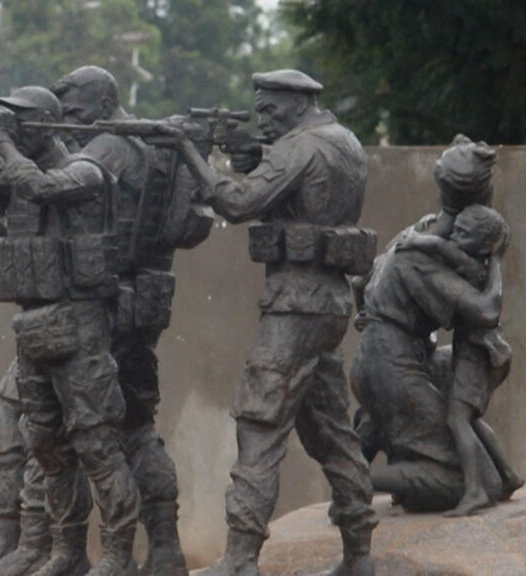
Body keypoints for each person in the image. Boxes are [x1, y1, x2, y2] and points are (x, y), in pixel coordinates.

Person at [149, 69, 378, 576]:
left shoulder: (300, 147)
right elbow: (297, 195)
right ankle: (359, 555)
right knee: (329, 430)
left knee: (259, 423)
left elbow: (239, 202)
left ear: (298, 102)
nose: (264, 119)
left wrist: (191, 152)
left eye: (271, 109)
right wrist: (252, 157)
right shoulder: (343, 140)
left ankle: (240, 559)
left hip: (295, 304)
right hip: (327, 300)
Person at [0, 86, 140, 576]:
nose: (7, 128)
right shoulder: (14, 176)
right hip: (33, 327)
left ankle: (117, 558)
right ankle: (65, 553)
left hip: (80, 326)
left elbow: (42, 188)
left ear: (45, 125)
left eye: (17, 120)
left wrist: (2, 142)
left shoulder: (86, 171)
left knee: (96, 443)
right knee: (46, 447)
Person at [49, 65, 213, 576]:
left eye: (74, 113)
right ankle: (164, 545)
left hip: (101, 309)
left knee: (82, 432)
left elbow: (48, 192)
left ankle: (103, 554)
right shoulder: (154, 145)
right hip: (144, 301)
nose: (69, 123)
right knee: (138, 426)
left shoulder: (106, 149)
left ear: (101, 105)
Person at [351, 205, 513, 514]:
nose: (454, 238)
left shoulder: (416, 234)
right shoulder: (426, 256)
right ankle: (353, 479)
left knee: (449, 397)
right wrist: (496, 262)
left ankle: (361, 475)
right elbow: (486, 310)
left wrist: (366, 312)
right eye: (457, 230)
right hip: (390, 366)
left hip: (377, 361)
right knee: (473, 478)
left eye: (462, 235)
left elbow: (360, 281)